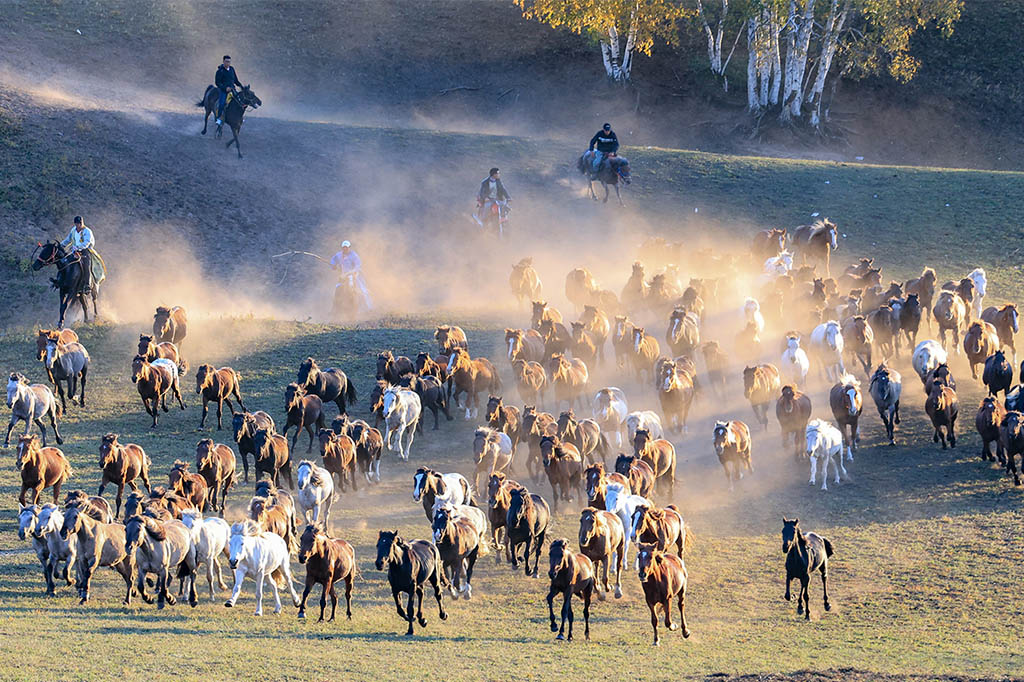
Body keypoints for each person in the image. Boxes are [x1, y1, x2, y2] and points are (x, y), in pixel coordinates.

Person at [330, 240, 373, 310]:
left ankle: (369, 307)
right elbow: (333, 261)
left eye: (346, 247)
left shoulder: (354, 255)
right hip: (343, 276)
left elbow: (357, 266)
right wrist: (333, 266)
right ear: (342, 248)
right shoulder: (339, 255)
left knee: (363, 290)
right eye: (343, 247)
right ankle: (335, 309)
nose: (345, 249)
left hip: (355, 275)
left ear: (349, 247)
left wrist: (349, 273)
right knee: (337, 288)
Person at [60, 216, 96, 294]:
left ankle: (87, 285)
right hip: (74, 251)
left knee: (86, 265)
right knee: (65, 262)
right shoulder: (73, 230)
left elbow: (86, 243)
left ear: (82, 223)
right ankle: (62, 280)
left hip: (85, 251)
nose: (78, 226)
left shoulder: (87, 231)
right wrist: (61, 245)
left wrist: (78, 247)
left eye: (80, 224)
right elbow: (68, 239)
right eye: (77, 224)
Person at [215, 55, 243, 126]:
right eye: (227, 62)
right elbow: (217, 83)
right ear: (223, 61)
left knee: (240, 102)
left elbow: (236, 80)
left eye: (229, 62)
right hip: (224, 91)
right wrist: (225, 88)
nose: (228, 63)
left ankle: (239, 117)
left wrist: (242, 86)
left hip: (232, 89)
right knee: (221, 104)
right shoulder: (220, 71)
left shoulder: (232, 69)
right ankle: (218, 119)